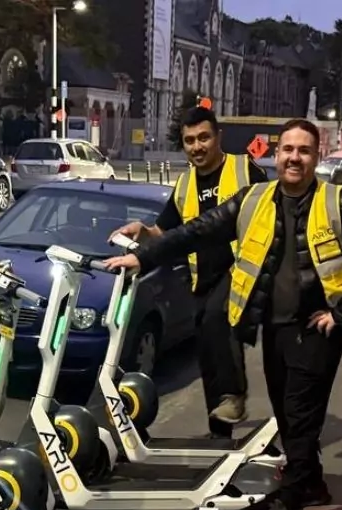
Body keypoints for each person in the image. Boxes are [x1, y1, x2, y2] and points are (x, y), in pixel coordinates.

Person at [103, 119, 342, 510]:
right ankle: (310, 482)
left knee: (300, 415)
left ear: (317, 156)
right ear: (277, 156)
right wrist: (145, 255)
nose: (294, 157)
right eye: (288, 150)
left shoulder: (338, 201)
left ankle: (292, 505)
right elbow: (197, 231)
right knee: (287, 412)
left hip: (315, 329)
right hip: (274, 327)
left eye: (304, 151)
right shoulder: (255, 198)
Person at [113, 107, 267, 438]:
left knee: (218, 319)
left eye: (204, 138)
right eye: (189, 141)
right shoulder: (184, 184)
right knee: (208, 354)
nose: (197, 147)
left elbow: (269, 215)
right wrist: (143, 231)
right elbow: (167, 233)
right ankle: (220, 432)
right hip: (203, 279)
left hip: (242, 270)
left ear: (218, 137)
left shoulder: (245, 171)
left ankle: (235, 396)